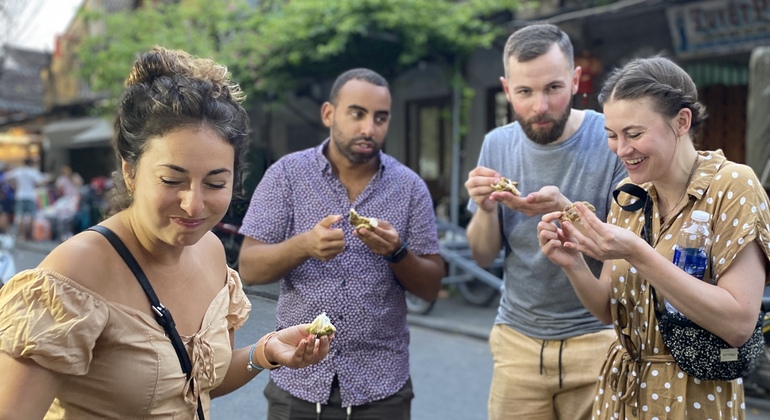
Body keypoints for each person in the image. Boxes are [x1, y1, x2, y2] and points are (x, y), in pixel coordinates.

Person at [0, 47, 331, 419]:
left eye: (215, 183)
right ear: (130, 172)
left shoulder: (211, 252)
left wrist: (265, 353)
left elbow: (197, 387)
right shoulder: (73, 274)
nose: (194, 204)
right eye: (172, 179)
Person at [537, 56, 770, 419]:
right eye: (612, 136)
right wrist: (573, 263)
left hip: (696, 395)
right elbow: (608, 311)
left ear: (681, 121)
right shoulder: (628, 195)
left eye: (634, 134)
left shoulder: (733, 186)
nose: (621, 149)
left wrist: (638, 253)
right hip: (624, 393)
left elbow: (739, 323)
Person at [238, 68, 445, 419]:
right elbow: (249, 268)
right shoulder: (286, 176)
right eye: (357, 113)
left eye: (380, 118)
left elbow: (431, 285)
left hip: (382, 390)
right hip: (298, 385)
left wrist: (396, 252)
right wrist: (303, 245)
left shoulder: (410, 188)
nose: (369, 128)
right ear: (329, 114)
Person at [463, 23, 627, 420]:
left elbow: (630, 246)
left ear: (574, 80)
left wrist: (567, 207)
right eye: (525, 92)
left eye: (553, 88)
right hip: (517, 342)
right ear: (506, 89)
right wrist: (485, 209)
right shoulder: (496, 144)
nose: (540, 106)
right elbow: (483, 256)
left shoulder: (611, 139)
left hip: (599, 339)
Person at [6, 157, 49, 242]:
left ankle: (22, 236)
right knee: (32, 216)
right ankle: (30, 235)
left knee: (20, 216)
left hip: (20, 195)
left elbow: (7, 177)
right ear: (31, 163)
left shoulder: (18, 171)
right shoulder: (33, 172)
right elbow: (39, 182)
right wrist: (47, 179)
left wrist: (14, 185)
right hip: (30, 196)